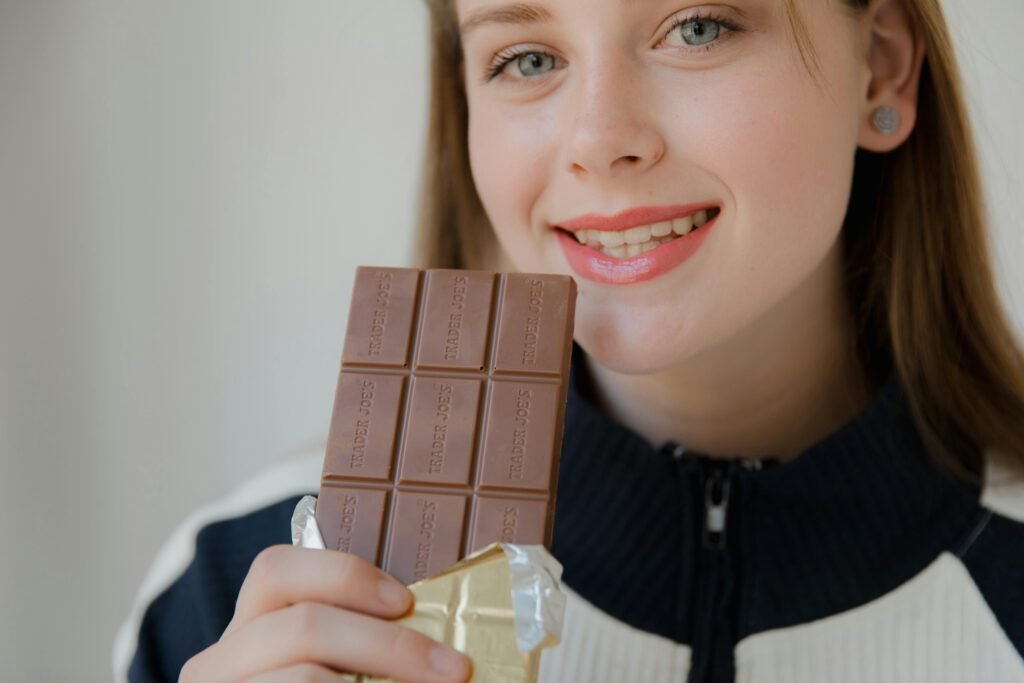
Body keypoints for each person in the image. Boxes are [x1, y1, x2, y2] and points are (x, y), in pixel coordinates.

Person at [116, 0, 1024, 681]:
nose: (599, 139)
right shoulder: (229, 593)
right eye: (527, 56)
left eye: (698, 25)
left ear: (882, 64)